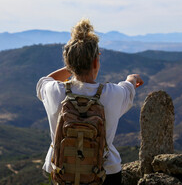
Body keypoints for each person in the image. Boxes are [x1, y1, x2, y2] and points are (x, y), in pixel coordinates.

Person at [36, 19, 143, 185]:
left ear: (69, 63)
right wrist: (133, 78)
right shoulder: (113, 93)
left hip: (62, 173)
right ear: (95, 62)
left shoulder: (54, 91)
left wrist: (73, 65)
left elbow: (45, 80)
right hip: (105, 173)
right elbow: (129, 85)